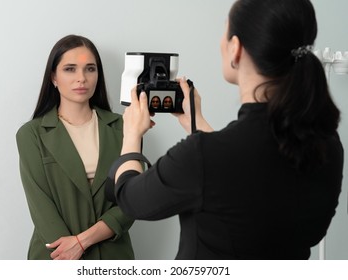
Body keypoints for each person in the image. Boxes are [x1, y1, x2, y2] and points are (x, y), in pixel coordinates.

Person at [106, 0, 344, 259]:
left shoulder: (203, 156)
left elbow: (131, 199)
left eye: (225, 32)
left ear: (236, 49)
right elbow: (241, 176)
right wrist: (195, 123)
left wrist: (131, 134)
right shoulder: (327, 144)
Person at [16, 34, 134, 260]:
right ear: (53, 77)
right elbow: (41, 208)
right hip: (56, 256)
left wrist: (83, 241)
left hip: (113, 256)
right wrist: (70, 251)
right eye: (70, 69)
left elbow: (132, 199)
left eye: (90, 69)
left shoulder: (124, 127)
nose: (82, 78)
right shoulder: (31, 135)